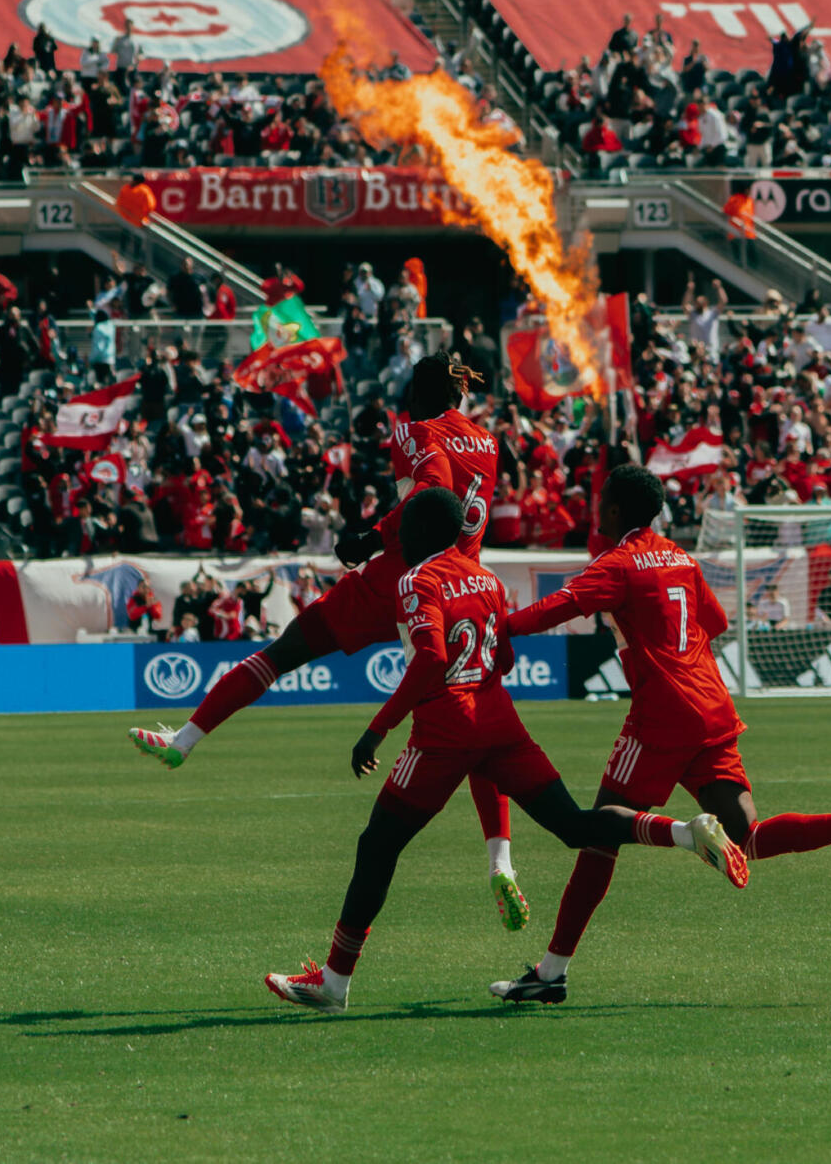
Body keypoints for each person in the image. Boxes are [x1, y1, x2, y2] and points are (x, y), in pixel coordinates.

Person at [260, 487, 747, 1012]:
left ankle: (334, 982)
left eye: (403, 531)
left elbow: (428, 659)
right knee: (575, 825)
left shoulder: (415, 579)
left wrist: (377, 730)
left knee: (378, 845)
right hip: (501, 726)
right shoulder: (488, 580)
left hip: (443, 733)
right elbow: (505, 659)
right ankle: (680, 832)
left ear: (419, 533)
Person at [487, 466, 831, 1004]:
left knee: (598, 836)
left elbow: (558, 608)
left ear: (615, 510)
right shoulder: (680, 556)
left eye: (603, 501)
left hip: (663, 716)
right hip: (712, 706)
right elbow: (713, 622)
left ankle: (553, 972)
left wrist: (497, 626)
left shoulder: (618, 563)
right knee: (748, 836)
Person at [129, 354, 534, 927]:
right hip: (463, 586)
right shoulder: (488, 444)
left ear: (418, 392)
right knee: (473, 722)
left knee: (283, 652)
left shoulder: (416, 429)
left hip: (401, 577)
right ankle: (502, 864)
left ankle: (185, 741)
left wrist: (373, 535)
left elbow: (432, 490)